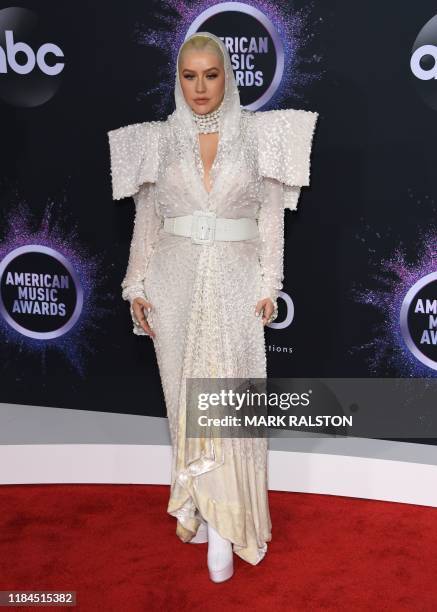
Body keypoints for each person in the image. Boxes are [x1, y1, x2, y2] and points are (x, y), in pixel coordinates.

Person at [108, 31, 318, 583]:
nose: (199, 87)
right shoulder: (156, 141)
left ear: (228, 77)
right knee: (184, 404)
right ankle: (199, 505)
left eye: (210, 74)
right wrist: (135, 287)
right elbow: (146, 222)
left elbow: (271, 218)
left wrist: (270, 282)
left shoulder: (260, 136)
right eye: (188, 75)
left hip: (235, 281)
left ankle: (227, 526)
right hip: (173, 283)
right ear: (177, 80)